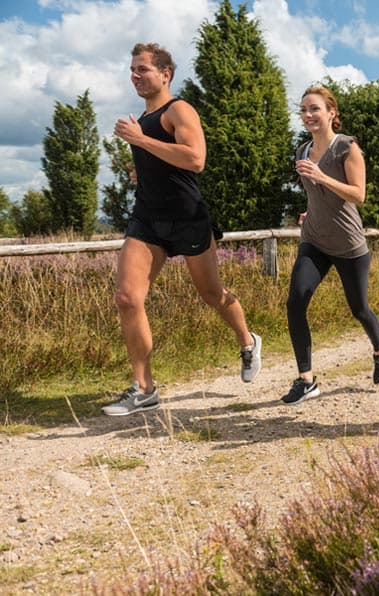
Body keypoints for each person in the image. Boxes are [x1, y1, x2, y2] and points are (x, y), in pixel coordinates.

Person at [103, 43, 262, 416]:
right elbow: (163, 162)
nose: (135, 75)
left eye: (142, 69)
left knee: (212, 294)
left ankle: (247, 340)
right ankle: (145, 389)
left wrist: (140, 140)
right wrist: (141, 170)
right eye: (132, 69)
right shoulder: (141, 119)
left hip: (187, 218)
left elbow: (195, 159)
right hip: (147, 219)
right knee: (127, 298)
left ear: (165, 74)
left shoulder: (179, 110)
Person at [282, 85, 379, 404]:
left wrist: (322, 177)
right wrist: (312, 209)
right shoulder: (302, 150)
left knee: (359, 309)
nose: (308, 115)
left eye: (314, 108)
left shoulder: (347, 148)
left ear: (331, 112)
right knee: (295, 300)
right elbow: (316, 194)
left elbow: (358, 195)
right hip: (314, 239)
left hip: (348, 244)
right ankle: (306, 380)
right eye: (303, 110)